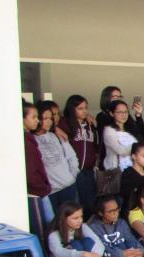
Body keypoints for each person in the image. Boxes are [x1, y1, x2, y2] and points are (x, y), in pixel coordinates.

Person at [35, 101, 80, 219]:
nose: (50, 121)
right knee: (54, 223)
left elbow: (72, 157)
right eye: (45, 118)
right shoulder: (31, 139)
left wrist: (72, 176)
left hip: (68, 186)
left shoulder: (56, 135)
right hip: (50, 192)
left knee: (71, 221)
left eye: (51, 118)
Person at [58, 94, 99, 212]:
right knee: (76, 202)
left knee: (90, 202)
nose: (84, 111)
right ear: (72, 109)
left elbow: (95, 146)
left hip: (89, 170)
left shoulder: (89, 125)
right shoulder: (65, 123)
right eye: (80, 108)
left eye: (86, 108)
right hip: (75, 170)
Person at [23, 101, 52, 238]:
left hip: (38, 191)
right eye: (33, 117)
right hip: (34, 193)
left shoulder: (29, 138)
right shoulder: (26, 142)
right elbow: (30, 172)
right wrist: (42, 188)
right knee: (41, 231)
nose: (38, 121)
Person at [99, 99, 138, 196]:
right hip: (117, 171)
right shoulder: (109, 130)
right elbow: (120, 150)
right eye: (120, 112)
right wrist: (137, 148)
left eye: (125, 112)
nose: (123, 115)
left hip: (132, 170)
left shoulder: (130, 127)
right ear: (112, 113)